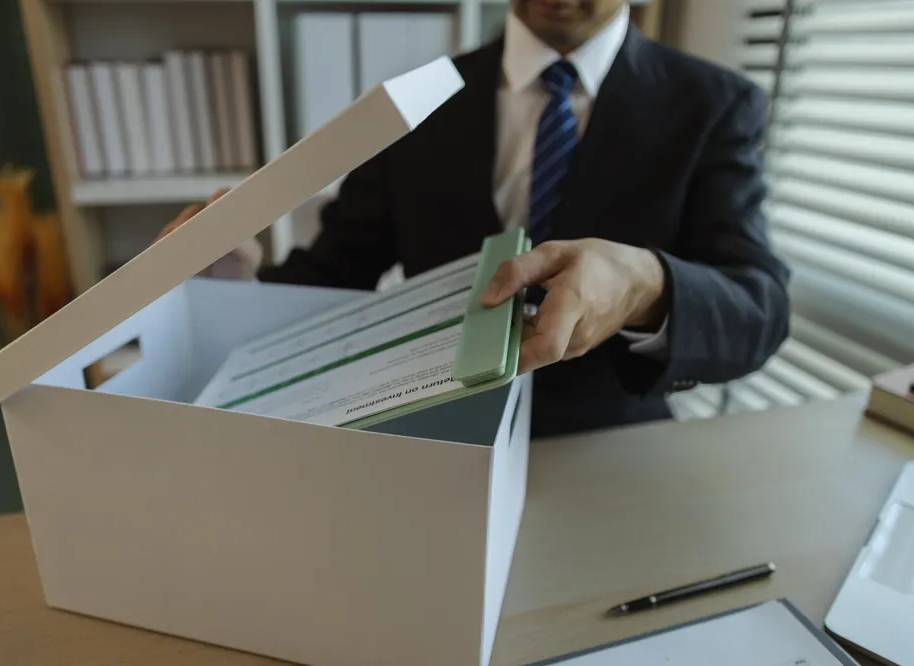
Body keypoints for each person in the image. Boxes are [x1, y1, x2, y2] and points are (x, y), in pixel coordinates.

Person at [156, 0, 791, 437]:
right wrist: (232, 291)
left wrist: (648, 286)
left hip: (610, 455)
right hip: (431, 444)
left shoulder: (717, 105)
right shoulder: (416, 101)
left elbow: (758, 309)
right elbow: (335, 276)